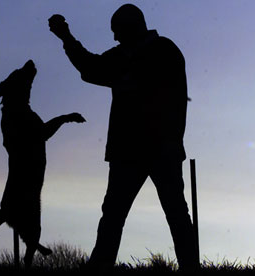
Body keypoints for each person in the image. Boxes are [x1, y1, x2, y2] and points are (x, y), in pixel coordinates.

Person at [48, 4, 199, 272]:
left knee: (172, 213)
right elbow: (91, 68)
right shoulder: (124, 55)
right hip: (131, 150)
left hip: (158, 147)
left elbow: (132, 80)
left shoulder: (164, 51)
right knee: (115, 216)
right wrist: (67, 38)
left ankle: (190, 268)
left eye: (117, 31)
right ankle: (101, 266)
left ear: (132, 27)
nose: (115, 38)